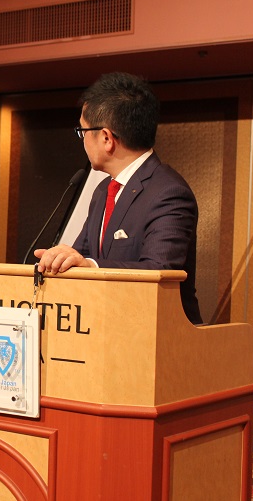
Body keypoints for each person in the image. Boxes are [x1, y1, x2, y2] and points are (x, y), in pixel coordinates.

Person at [34, 72, 202, 324]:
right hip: (109, 327)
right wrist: (62, 258)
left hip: (161, 333)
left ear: (106, 138)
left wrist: (91, 266)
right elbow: (82, 255)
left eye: (82, 131)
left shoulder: (169, 193)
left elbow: (160, 270)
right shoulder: (103, 190)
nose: (82, 140)